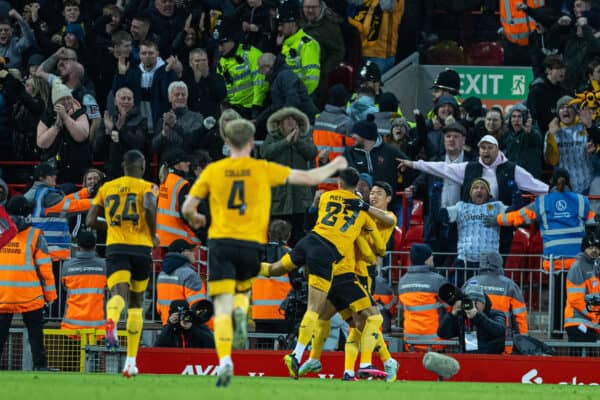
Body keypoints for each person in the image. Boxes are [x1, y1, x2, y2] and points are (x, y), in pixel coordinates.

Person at [181, 119, 347, 387]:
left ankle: (225, 361)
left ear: (226, 142)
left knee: (222, 305)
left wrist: (196, 219)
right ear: (250, 143)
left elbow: (188, 208)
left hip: (221, 242)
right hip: (250, 244)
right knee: (244, 290)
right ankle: (242, 309)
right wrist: (335, 165)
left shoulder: (214, 170)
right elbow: (306, 178)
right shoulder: (261, 168)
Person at [260, 168, 385, 381]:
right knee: (314, 309)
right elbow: (381, 244)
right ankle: (296, 354)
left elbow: (320, 215)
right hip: (325, 254)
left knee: (275, 269)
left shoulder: (327, 197)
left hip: (308, 242)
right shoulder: (362, 212)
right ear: (358, 187)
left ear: (339, 183)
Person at [486, 168, 595, 338]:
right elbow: (593, 222)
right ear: (569, 181)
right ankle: (578, 336)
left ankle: (557, 334)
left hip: (556, 263)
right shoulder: (581, 201)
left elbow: (518, 217)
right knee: (578, 302)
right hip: (578, 265)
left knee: (557, 302)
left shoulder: (542, 202)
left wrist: (496, 219)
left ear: (551, 182)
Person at [397, 134, 548, 255]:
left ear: (497, 150)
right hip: (470, 228)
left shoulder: (511, 169)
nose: (486, 151)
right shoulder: (469, 167)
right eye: (483, 148)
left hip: (501, 227)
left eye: (490, 148)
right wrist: (414, 164)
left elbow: (534, 184)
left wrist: (556, 192)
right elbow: (442, 168)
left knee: (497, 265)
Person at [86, 149, 160, 378]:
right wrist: (153, 232)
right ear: (143, 165)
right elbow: (148, 205)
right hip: (141, 248)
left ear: (124, 166)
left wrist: (111, 226)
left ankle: (111, 321)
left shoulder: (106, 187)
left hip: (116, 247)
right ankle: (130, 362)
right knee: (136, 304)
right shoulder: (148, 187)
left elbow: (90, 220)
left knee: (118, 294)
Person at [405, 123, 476, 269]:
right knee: (432, 265)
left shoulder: (472, 163)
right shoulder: (435, 160)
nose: (451, 140)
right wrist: (414, 187)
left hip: (462, 223)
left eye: (456, 137)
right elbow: (423, 179)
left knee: (461, 267)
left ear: (463, 140)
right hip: (436, 223)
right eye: (448, 136)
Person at [0, 195, 57, 371]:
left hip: (2, 295)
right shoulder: (35, 235)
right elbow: (45, 270)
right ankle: (40, 366)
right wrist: (50, 296)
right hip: (30, 297)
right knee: (35, 333)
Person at [433, 178, 519, 285]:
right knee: (459, 296)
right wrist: (435, 193)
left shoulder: (497, 206)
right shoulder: (461, 207)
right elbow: (439, 215)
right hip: (464, 263)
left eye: (482, 188)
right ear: (471, 192)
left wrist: (516, 193)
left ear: (488, 193)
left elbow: (515, 213)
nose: (479, 190)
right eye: (475, 188)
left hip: (489, 264)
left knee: (489, 297)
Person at [260, 107, 318, 245]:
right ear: (279, 124)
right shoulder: (272, 138)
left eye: (294, 120)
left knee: (298, 236)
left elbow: (311, 153)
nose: (292, 124)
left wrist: (296, 141)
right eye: (288, 120)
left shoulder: (304, 138)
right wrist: (286, 142)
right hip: (278, 197)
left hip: (299, 197)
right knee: (276, 235)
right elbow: (265, 152)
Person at [464, 251, 528, 351]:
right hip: (503, 340)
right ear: (499, 263)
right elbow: (520, 318)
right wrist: (523, 343)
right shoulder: (509, 285)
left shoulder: (470, 282)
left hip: (474, 339)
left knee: (474, 363)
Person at [36, 79, 91, 184]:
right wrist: (57, 125)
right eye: (62, 99)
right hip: (54, 170)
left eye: (68, 98)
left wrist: (65, 117)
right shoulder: (47, 116)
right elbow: (42, 143)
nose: (66, 102)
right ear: (55, 102)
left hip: (77, 167)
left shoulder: (80, 113)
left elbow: (81, 136)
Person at [398, 244, 450, 351]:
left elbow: (399, 310)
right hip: (435, 342)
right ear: (426, 260)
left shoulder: (402, 281)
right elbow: (451, 307)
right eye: (431, 257)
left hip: (410, 342)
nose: (433, 260)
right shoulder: (438, 280)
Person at [215, 19, 265, 119]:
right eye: (218, 45)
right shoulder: (222, 61)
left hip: (251, 110)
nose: (219, 49)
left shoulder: (251, 54)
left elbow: (260, 82)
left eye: (222, 44)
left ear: (232, 39)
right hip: (231, 110)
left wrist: (256, 107)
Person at [255, 53, 318, 129]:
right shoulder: (278, 77)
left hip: (306, 123)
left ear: (267, 66)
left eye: (260, 68)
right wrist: (257, 120)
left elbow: (293, 100)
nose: (260, 72)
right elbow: (276, 105)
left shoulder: (285, 75)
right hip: (301, 121)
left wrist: (284, 121)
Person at [437, 284, 506, 354]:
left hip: (491, 360)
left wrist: (477, 316)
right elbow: (443, 334)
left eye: (476, 302)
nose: (473, 305)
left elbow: (500, 331)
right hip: (469, 359)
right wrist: (452, 314)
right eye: (470, 302)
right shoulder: (463, 318)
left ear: (483, 302)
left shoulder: (496, 314)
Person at [60, 230, 107, 331]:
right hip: (97, 328)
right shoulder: (104, 265)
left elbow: (64, 286)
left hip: (71, 327)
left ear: (78, 246)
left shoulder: (67, 266)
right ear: (95, 246)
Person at [156, 239, 208, 325]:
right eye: (190, 251)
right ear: (182, 252)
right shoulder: (189, 274)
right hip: (187, 327)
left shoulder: (162, 274)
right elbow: (199, 307)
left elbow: (159, 306)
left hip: (167, 324)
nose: (193, 253)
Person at [156, 149, 202, 247]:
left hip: (163, 240)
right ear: (177, 165)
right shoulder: (182, 184)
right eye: (184, 161)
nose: (188, 163)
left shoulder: (165, 181)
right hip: (181, 241)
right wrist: (202, 233)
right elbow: (186, 214)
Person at [276, 3, 320, 95]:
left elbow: (312, 78)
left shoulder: (307, 44)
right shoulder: (286, 44)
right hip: (287, 95)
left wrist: (300, 96)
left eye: (282, 24)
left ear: (293, 23)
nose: (279, 28)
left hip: (301, 99)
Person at [564, 231, 600, 343]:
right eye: (590, 247)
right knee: (579, 358)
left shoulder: (595, 267)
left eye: (597, 247)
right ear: (584, 249)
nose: (594, 250)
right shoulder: (578, 266)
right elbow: (575, 299)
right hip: (578, 322)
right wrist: (595, 315)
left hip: (590, 323)